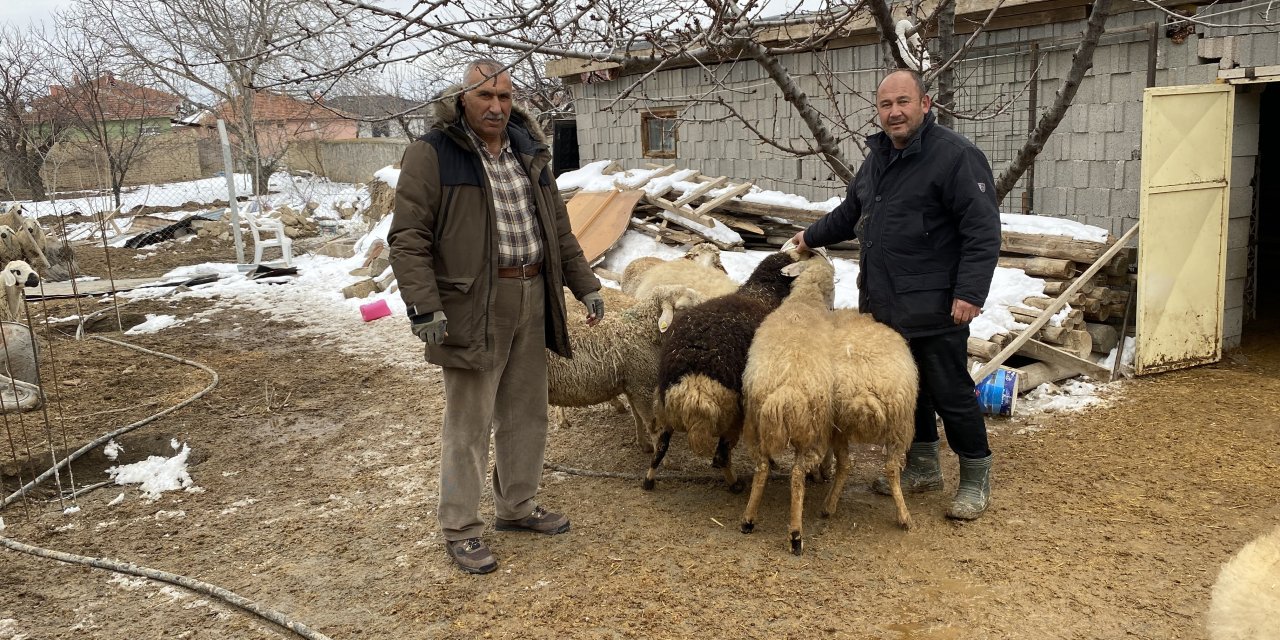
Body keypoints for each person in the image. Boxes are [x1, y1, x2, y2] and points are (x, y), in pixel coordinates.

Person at [389, 58, 604, 574]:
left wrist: (585, 284)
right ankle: (461, 528)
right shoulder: (433, 153)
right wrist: (424, 305)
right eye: (485, 96)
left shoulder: (529, 151)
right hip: (471, 304)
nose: (496, 106)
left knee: (527, 411)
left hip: (532, 293)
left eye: (505, 97)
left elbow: (559, 227)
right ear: (461, 98)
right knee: (469, 422)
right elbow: (408, 237)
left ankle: (518, 507)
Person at [790, 69, 1001, 520]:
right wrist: (809, 237)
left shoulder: (956, 157)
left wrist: (969, 292)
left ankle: (975, 476)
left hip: (937, 304)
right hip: (885, 303)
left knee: (950, 391)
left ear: (926, 104)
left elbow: (982, 230)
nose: (894, 112)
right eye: (886, 105)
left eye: (903, 102)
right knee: (908, 392)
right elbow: (851, 212)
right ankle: (923, 467)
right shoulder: (879, 158)